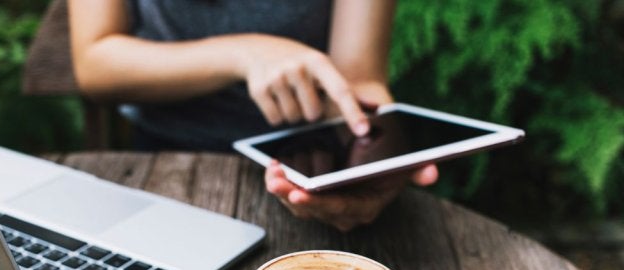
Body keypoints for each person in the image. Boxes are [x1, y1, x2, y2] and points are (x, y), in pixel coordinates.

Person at [68, 0, 438, 231]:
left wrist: (371, 157)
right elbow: (95, 63)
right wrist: (243, 55)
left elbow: (358, 79)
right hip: (162, 157)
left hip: (308, 159)